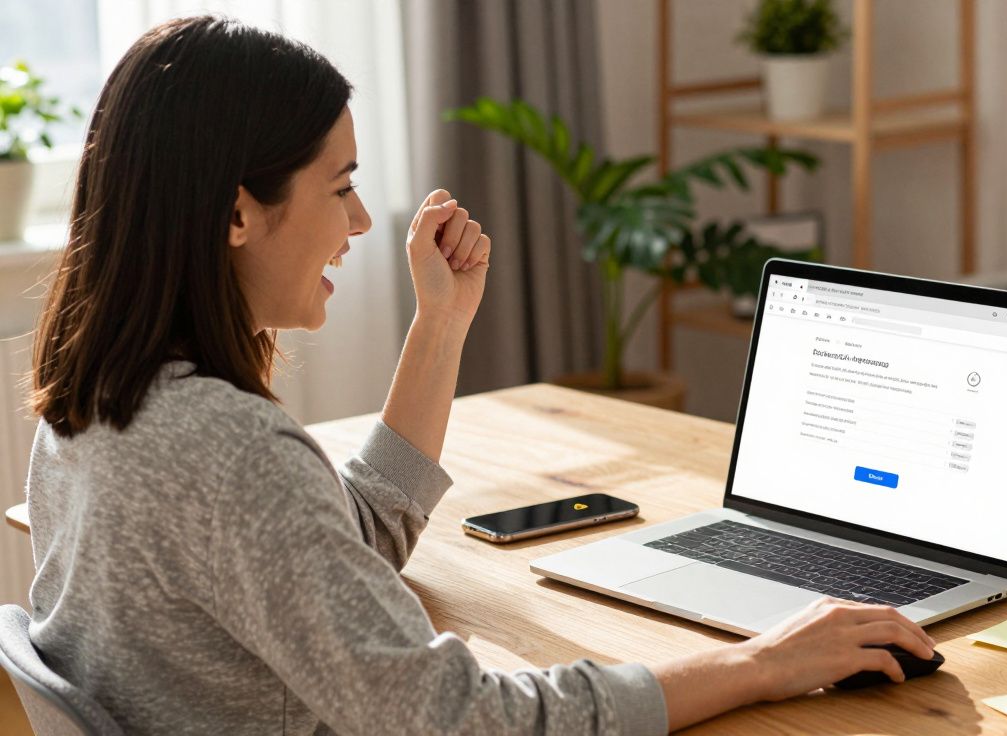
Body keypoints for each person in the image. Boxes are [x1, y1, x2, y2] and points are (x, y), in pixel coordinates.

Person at [23, 15, 935, 735]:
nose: (360, 222)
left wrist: (442, 323)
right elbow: (461, 721)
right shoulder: (227, 452)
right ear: (236, 213)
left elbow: (343, 547)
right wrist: (759, 663)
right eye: (340, 186)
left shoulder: (95, 402)